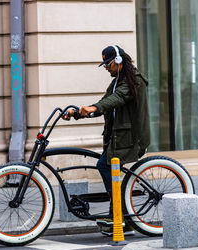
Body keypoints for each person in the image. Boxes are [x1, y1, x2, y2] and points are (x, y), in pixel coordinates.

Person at [63, 45, 150, 235]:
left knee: (104, 165)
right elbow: (105, 103)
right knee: (107, 167)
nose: (106, 68)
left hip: (130, 137)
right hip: (117, 138)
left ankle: (121, 216)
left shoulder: (134, 80)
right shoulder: (116, 81)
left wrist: (94, 107)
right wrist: (78, 113)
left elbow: (117, 99)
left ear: (118, 61)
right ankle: (117, 212)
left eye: (108, 64)